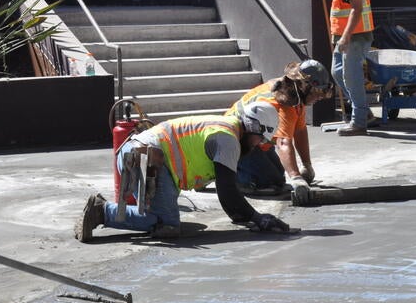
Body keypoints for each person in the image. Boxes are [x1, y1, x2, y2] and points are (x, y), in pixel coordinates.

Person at [74, 101, 291, 241]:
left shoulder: (228, 128)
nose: (258, 145)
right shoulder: (228, 139)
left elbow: (229, 191)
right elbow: (227, 191)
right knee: (165, 224)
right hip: (145, 158)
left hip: (142, 156)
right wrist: (258, 218)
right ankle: (102, 211)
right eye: (260, 139)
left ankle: (124, 212)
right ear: (253, 127)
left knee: (168, 220)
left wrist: (243, 216)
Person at [227, 59, 334, 206]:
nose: (319, 97)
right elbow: (283, 142)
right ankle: (228, 175)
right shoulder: (283, 101)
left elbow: (300, 131)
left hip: (255, 139)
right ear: (305, 86)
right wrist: (296, 178)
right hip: (234, 141)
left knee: (278, 178)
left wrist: (306, 165)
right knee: (268, 182)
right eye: (317, 92)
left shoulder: (295, 96)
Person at [319, 0, 375, 136]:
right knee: (337, 72)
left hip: (355, 37)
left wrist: (345, 36)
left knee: (351, 77)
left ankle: (359, 122)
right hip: (347, 37)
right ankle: (364, 112)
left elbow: (356, 9)